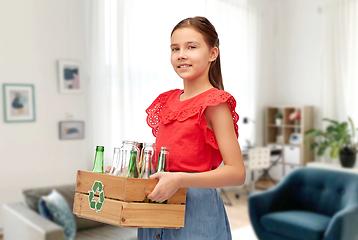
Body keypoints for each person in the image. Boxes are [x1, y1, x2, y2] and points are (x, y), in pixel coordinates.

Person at [107, 16, 245, 239]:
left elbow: (237, 173)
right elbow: (166, 161)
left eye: (191, 47)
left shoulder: (215, 103)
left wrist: (180, 179)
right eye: (175, 48)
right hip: (155, 206)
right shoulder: (167, 101)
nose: (181, 54)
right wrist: (126, 173)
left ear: (212, 54)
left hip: (196, 213)